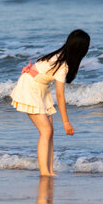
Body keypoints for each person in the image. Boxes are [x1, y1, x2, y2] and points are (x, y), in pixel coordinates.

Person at [10, 29, 90, 176]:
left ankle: (49, 171)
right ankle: (44, 172)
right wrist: (66, 122)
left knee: (49, 132)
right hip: (30, 87)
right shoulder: (62, 65)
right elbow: (60, 96)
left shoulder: (59, 57)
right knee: (46, 131)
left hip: (40, 88)